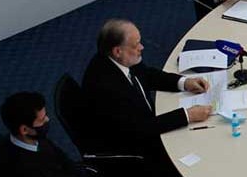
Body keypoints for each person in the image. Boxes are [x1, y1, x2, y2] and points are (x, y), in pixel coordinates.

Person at [82, 19, 212, 157]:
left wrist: (184, 82)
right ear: (117, 51)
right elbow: (139, 129)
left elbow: (147, 74)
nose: (142, 47)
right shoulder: (105, 88)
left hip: (143, 123)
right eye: (136, 45)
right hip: (134, 148)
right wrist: (187, 115)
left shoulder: (119, 58)